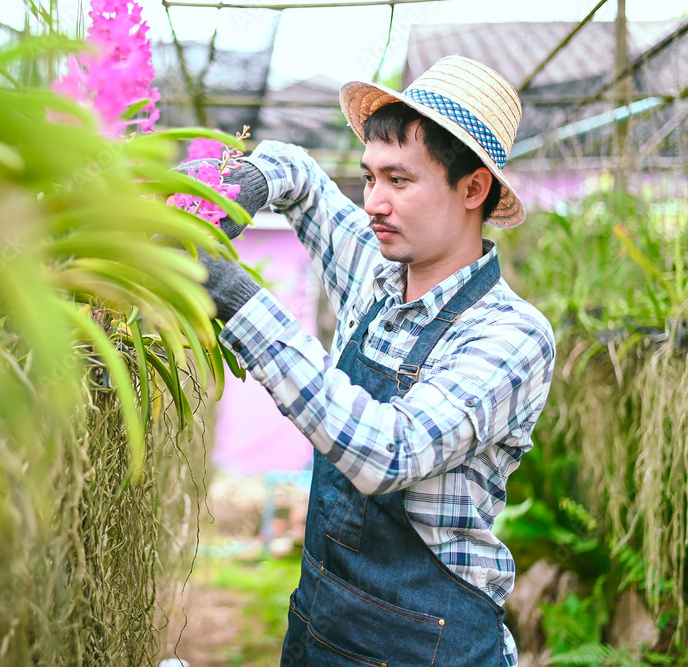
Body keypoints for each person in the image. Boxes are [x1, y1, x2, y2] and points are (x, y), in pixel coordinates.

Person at [188, 56, 556, 666]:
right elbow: (300, 176)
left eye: (400, 181)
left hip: (425, 646)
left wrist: (234, 294)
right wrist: (238, 186)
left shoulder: (510, 336)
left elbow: (389, 450)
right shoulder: (375, 275)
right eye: (369, 178)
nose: (374, 204)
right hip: (320, 623)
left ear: (473, 188)